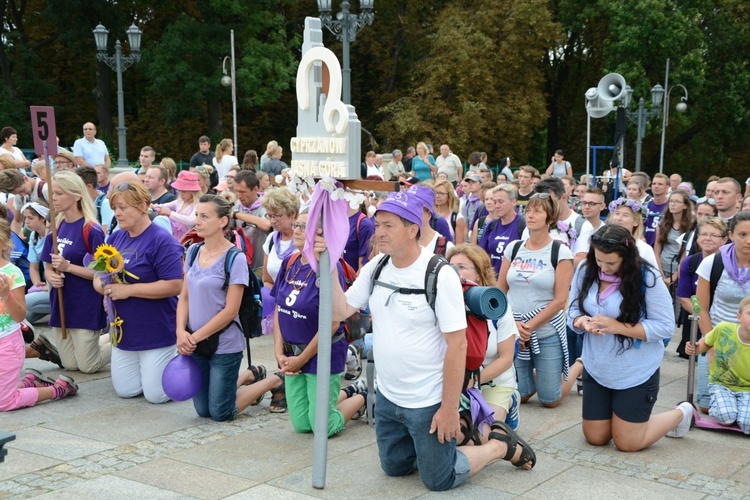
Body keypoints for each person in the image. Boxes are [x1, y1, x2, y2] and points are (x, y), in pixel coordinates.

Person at [319, 190, 536, 492]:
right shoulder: (377, 266)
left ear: (412, 230)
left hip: (427, 400)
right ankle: (449, 443)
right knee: (394, 468)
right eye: (378, 224)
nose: (379, 232)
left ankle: (498, 446)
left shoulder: (438, 274)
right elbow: (341, 310)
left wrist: (448, 409)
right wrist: (327, 263)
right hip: (388, 396)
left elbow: (457, 345)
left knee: (439, 479)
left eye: (388, 226)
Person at [568, 225, 693, 450]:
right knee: (596, 437)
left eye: (611, 263)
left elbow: (665, 327)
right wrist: (581, 322)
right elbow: (571, 310)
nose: (603, 267)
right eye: (599, 260)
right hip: (598, 365)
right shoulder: (585, 269)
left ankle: (681, 413)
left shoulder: (648, 277)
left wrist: (619, 327)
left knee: (628, 443)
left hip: (635, 369)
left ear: (626, 258)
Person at [272, 211, 367, 433]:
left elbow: (333, 322)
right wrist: (279, 354)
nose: (296, 229)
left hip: (321, 354)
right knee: (302, 425)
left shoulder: (328, 267)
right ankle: (341, 396)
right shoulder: (290, 261)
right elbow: (280, 308)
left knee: (323, 427)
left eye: (304, 226)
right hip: (292, 354)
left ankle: (360, 394)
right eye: (296, 224)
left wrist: (301, 359)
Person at [94, 181, 183, 402]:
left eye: (123, 207)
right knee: (126, 390)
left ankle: (181, 357)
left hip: (156, 327)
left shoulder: (162, 240)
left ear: (143, 205)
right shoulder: (116, 237)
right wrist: (102, 286)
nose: (117, 213)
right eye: (115, 208)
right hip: (125, 329)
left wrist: (129, 290)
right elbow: (99, 275)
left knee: (156, 396)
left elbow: (175, 285)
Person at [498, 193, 581, 407]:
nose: (531, 215)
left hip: (546, 332)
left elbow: (560, 300)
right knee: (522, 397)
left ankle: (577, 366)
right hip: (515, 330)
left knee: (549, 400)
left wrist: (528, 326)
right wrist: (514, 326)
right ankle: (540, 375)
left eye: (538, 211)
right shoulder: (514, 248)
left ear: (550, 218)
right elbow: (500, 291)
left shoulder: (560, 252)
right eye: (529, 211)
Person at [177, 195, 249, 419]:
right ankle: (241, 378)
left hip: (224, 344)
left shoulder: (235, 258)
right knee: (203, 411)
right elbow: (184, 296)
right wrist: (180, 332)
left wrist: (194, 337)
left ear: (222, 221)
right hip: (195, 342)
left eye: (204, 216)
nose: (197, 221)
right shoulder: (193, 251)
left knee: (220, 413)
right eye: (197, 215)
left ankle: (267, 380)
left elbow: (231, 311)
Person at [0, 217, 79, 411]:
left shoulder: (12, 273)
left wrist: (6, 295)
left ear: (2, 243)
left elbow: (19, 316)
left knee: (4, 402)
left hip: (7, 346)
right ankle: (29, 381)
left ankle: (59, 389)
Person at [41, 171, 109, 373]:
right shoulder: (55, 225)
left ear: (76, 196)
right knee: (70, 364)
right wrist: (50, 276)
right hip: (61, 302)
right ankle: (101, 341)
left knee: (88, 366)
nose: (54, 198)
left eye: (60, 193)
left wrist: (69, 267)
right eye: (53, 193)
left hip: (84, 303)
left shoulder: (92, 230)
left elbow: (101, 274)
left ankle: (123, 341)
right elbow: (47, 264)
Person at [447, 244, 520, 427]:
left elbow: (506, 359)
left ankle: (511, 401)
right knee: (453, 434)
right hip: (457, 382)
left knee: (482, 434)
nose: (455, 272)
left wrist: (474, 381)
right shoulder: (444, 305)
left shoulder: (496, 306)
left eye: (462, 267)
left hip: (495, 382)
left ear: (479, 273)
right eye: (451, 267)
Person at [695, 211, 750, 413]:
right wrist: (710, 347)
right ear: (731, 235)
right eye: (742, 234)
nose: (748, 241)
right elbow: (701, 308)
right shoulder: (713, 263)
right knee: (706, 408)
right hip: (719, 340)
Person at [686, 296, 750, 434]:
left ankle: (739, 408)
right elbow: (703, 345)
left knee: (747, 423)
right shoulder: (723, 329)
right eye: (749, 314)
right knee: (726, 417)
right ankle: (727, 406)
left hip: (747, 388)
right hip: (722, 384)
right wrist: (693, 347)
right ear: (739, 317)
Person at [676, 218, 728, 358]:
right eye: (703, 234)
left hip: (724, 323)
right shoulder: (690, 262)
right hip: (697, 323)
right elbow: (685, 298)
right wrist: (704, 319)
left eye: (714, 235)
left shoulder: (730, 265)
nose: (707, 238)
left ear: (724, 240)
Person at [654, 190, 693, 316]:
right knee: (661, 309)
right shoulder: (663, 224)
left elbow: (686, 254)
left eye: (677, 201)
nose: (673, 204)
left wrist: (675, 276)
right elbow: (657, 251)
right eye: (671, 201)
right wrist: (661, 275)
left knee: (676, 312)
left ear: (685, 205)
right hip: (663, 270)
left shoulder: (690, 226)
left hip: (681, 271)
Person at [478, 184, 523, 275]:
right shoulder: (491, 226)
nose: (497, 206)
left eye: (501, 202)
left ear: (513, 202)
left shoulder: (522, 225)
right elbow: (482, 255)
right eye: (495, 202)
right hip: (494, 280)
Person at [232, 170, 272, 271]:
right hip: (242, 266)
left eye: (242, 192)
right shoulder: (237, 204)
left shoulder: (265, 205)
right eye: (236, 191)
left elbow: (266, 225)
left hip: (261, 267)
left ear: (255, 189)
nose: (239, 196)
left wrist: (237, 215)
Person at [608, 197, 659, 268]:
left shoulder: (644, 249)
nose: (619, 218)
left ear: (636, 222)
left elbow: (653, 276)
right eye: (617, 213)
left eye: (625, 215)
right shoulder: (604, 242)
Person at [21, 203, 50, 325]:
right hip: (46, 287)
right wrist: (37, 284)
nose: (26, 222)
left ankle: (62, 309)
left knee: (25, 302)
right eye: (25, 218)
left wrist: (45, 288)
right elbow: (33, 267)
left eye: (30, 218)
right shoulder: (34, 235)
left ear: (42, 218)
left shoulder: (52, 235)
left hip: (55, 287)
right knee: (24, 317)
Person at [153, 171, 201, 242]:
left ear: (193, 192)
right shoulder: (180, 201)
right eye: (179, 191)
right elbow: (163, 206)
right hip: (174, 234)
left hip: (186, 238)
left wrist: (170, 213)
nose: (181, 194)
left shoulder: (197, 204)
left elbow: (191, 221)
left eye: (184, 191)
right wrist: (153, 206)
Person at [433, 179, 466, 244]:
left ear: (449, 196)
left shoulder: (457, 218)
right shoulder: (429, 214)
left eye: (441, 193)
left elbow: (459, 246)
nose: (437, 196)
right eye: (435, 193)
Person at [644, 173, 670, 247]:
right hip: (646, 248)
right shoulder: (645, 206)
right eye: (654, 183)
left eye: (660, 184)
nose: (656, 186)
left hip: (664, 248)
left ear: (667, 187)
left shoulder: (671, 207)